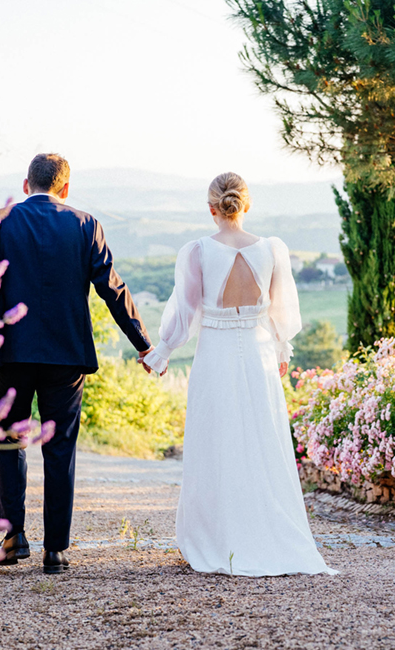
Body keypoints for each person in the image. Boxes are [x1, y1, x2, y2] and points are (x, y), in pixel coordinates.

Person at [143, 172, 336, 576]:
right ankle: (265, 533)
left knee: (216, 441)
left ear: (211, 208)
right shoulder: (272, 250)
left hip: (214, 354)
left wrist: (161, 353)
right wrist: (282, 348)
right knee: (261, 440)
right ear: (246, 206)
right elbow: (282, 311)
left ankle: (217, 539)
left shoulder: (197, 251)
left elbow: (186, 312)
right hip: (258, 351)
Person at [0, 153, 154, 573]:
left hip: (11, 353)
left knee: (9, 441)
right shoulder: (86, 225)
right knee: (60, 449)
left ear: (25, 184)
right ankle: (56, 549)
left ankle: (13, 537)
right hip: (66, 357)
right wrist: (142, 343)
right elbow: (112, 289)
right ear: (65, 189)